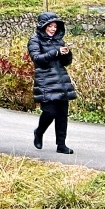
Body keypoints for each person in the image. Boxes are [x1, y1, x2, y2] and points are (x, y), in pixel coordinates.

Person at [28, 12, 76, 154]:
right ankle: (39, 132)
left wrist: (67, 53)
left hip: (61, 81)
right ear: (43, 26)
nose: (53, 29)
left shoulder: (59, 41)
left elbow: (66, 63)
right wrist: (55, 52)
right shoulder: (35, 40)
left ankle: (61, 145)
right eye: (50, 26)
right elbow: (37, 58)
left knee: (62, 114)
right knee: (49, 112)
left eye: (55, 26)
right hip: (45, 81)